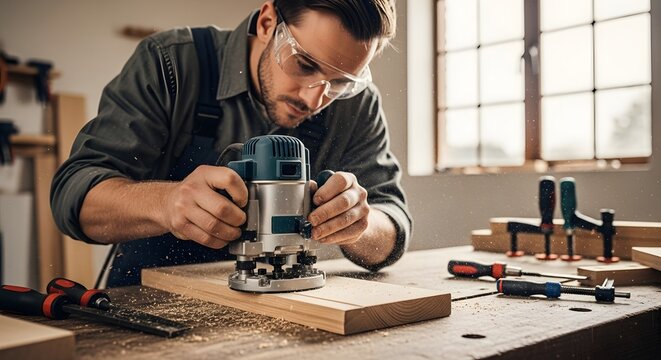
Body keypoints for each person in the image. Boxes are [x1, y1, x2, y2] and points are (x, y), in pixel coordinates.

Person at [51, 0, 412, 287]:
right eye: (303, 65)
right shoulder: (172, 63)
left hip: (287, 310)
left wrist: (360, 224)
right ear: (268, 22)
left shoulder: (356, 103)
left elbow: (392, 228)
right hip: (149, 302)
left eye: (339, 82)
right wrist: (167, 203)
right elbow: (74, 196)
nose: (314, 97)